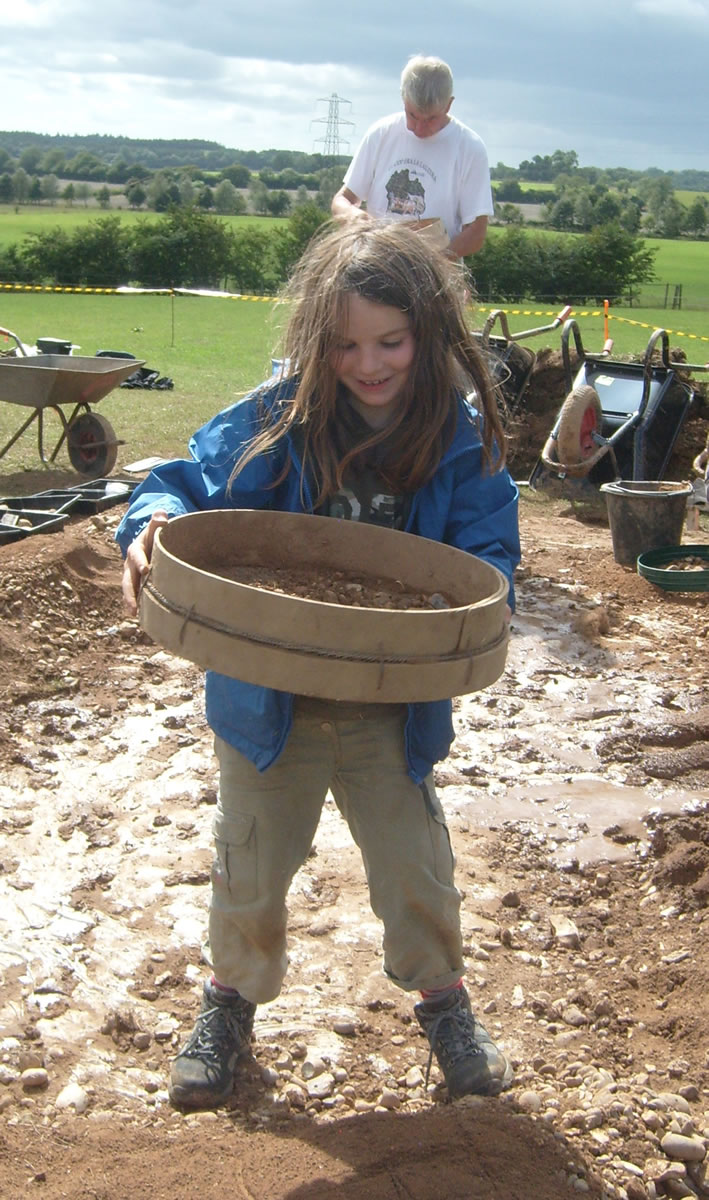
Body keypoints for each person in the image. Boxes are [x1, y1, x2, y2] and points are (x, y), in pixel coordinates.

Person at [117, 219, 520, 1111]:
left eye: (390, 342)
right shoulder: (278, 417)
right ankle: (228, 1004)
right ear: (314, 339)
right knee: (250, 866)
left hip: (389, 704)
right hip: (269, 702)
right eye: (344, 345)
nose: (367, 364)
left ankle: (445, 1005)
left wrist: (487, 602)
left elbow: (488, 554)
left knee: (414, 866)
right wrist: (150, 522)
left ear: (427, 335)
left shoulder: (458, 441)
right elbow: (182, 482)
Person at [331, 55, 494, 259]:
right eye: (413, 116)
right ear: (403, 99)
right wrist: (352, 216)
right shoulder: (381, 133)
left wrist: (431, 264)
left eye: (431, 119)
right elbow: (342, 200)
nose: (419, 129)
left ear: (449, 105)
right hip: (376, 265)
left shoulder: (469, 147)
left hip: (438, 268)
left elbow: (476, 233)